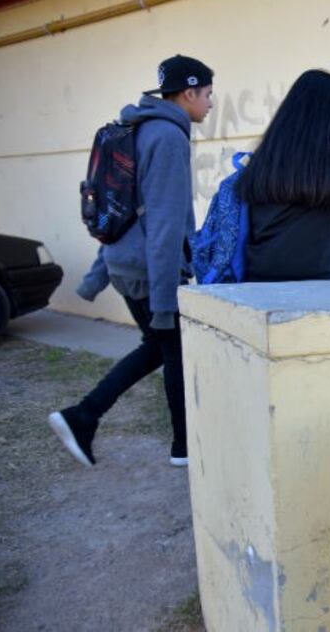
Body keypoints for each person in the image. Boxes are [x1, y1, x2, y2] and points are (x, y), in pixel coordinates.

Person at [48, 54, 214, 468]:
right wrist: (163, 304)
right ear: (189, 91)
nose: (211, 104)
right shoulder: (168, 137)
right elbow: (163, 225)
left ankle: (86, 417)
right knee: (171, 348)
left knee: (159, 349)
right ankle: (180, 446)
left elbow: (125, 209)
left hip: (126, 266)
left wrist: (96, 277)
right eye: (208, 94)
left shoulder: (136, 129)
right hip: (150, 273)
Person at [238, 69, 330, 282]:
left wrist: (328, 230)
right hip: (311, 291)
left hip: (258, 284)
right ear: (329, 120)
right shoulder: (323, 169)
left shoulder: (267, 159)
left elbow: (284, 218)